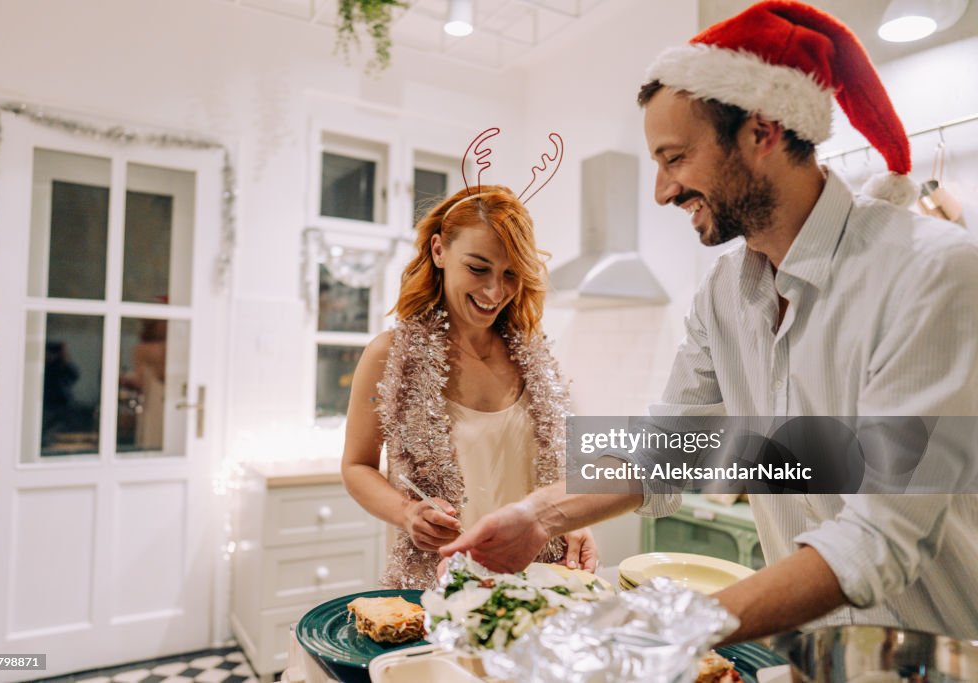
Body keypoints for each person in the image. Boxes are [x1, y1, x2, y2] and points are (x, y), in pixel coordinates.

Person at [442, 0, 978, 643]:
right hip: (806, 658)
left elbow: (880, 536)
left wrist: (665, 631)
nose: (662, 191)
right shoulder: (724, 294)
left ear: (763, 131)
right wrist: (537, 514)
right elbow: (666, 449)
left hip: (935, 657)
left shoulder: (931, 271)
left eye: (674, 158)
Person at [341, 182, 598, 590]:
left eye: (510, 274)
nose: (495, 292)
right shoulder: (390, 356)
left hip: (536, 586)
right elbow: (356, 467)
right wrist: (407, 513)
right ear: (439, 250)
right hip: (437, 589)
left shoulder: (533, 356)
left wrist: (571, 522)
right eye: (478, 268)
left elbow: (550, 472)